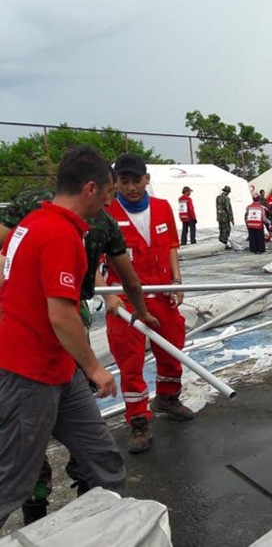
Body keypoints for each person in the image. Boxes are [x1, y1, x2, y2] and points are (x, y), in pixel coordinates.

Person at [0, 180, 159, 522]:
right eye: (107, 194)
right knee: (13, 479)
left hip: (61, 365)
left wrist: (125, 303)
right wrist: (94, 367)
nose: (110, 202)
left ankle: (119, 526)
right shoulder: (56, 232)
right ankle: (37, 509)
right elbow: (61, 314)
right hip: (29, 369)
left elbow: (121, 278)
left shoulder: (43, 222)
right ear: (90, 189)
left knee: (102, 456)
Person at [106, 154, 193, 455]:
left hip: (161, 292)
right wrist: (107, 295)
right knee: (130, 360)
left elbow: (171, 245)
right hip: (125, 299)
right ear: (115, 183)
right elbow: (92, 258)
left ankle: (167, 397)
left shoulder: (161, 208)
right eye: (124, 182)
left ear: (147, 179)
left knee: (173, 346)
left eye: (136, 180)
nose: (131, 187)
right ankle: (138, 420)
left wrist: (176, 282)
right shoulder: (105, 213)